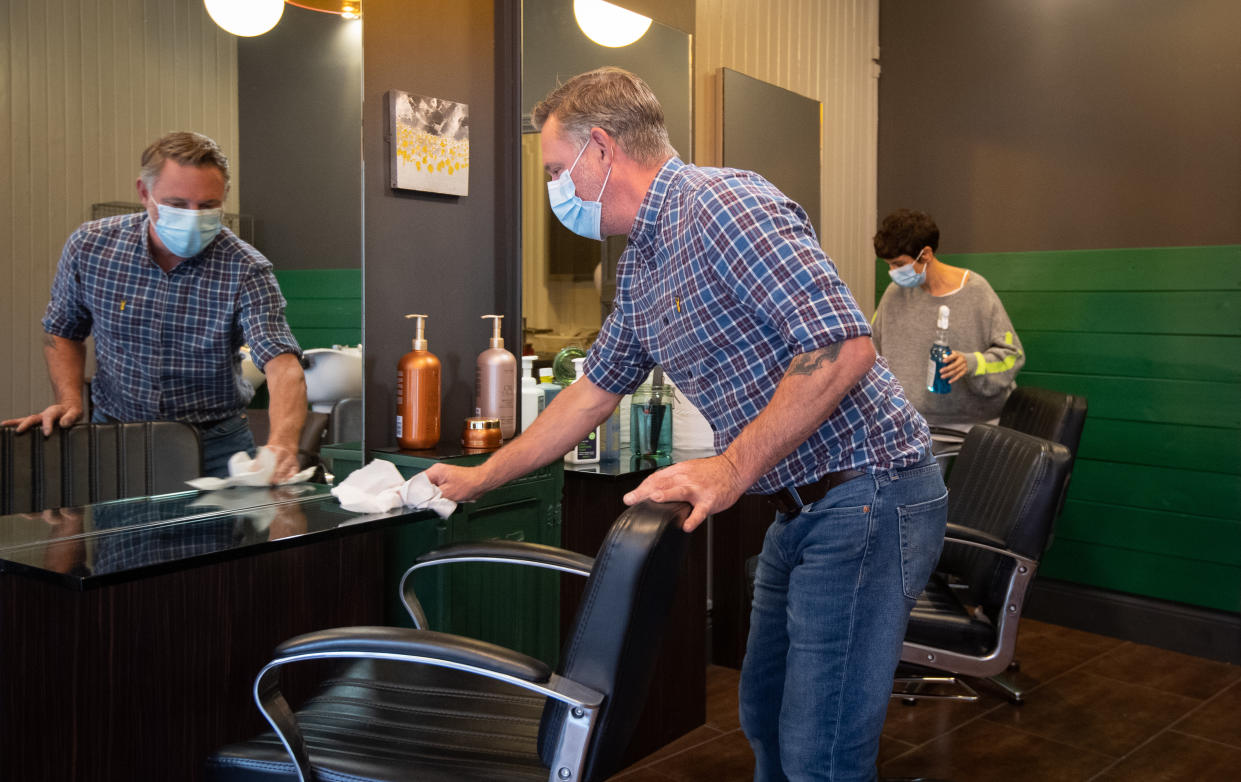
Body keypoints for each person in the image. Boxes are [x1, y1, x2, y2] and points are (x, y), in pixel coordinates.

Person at [425, 67, 948, 781]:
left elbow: (841, 346)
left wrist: (731, 467)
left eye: (554, 169)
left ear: (601, 150)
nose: (554, 189)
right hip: (800, 504)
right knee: (764, 716)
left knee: (818, 748)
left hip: (871, 491)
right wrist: (480, 476)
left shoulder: (722, 205)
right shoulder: (641, 261)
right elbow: (592, 393)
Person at [2, 132, 306, 481]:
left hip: (214, 441)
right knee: (118, 534)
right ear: (144, 193)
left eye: (207, 206)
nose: (193, 217)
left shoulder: (246, 268)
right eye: (177, 204)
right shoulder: (92, 247)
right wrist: (70, 400)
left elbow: (282, 364)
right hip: (117, 436)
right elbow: (63, 330)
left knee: (225, 536)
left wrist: (282, 444)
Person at [871, 209, 1025, 434]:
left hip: (972, 425)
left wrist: (971, 363)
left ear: (925, 254)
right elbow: (871, 351)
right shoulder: (895, 294)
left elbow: (1012, 356)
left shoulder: (977, 292)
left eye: (898, 264)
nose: (892, 272)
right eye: (888, 265)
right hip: (910, 422)